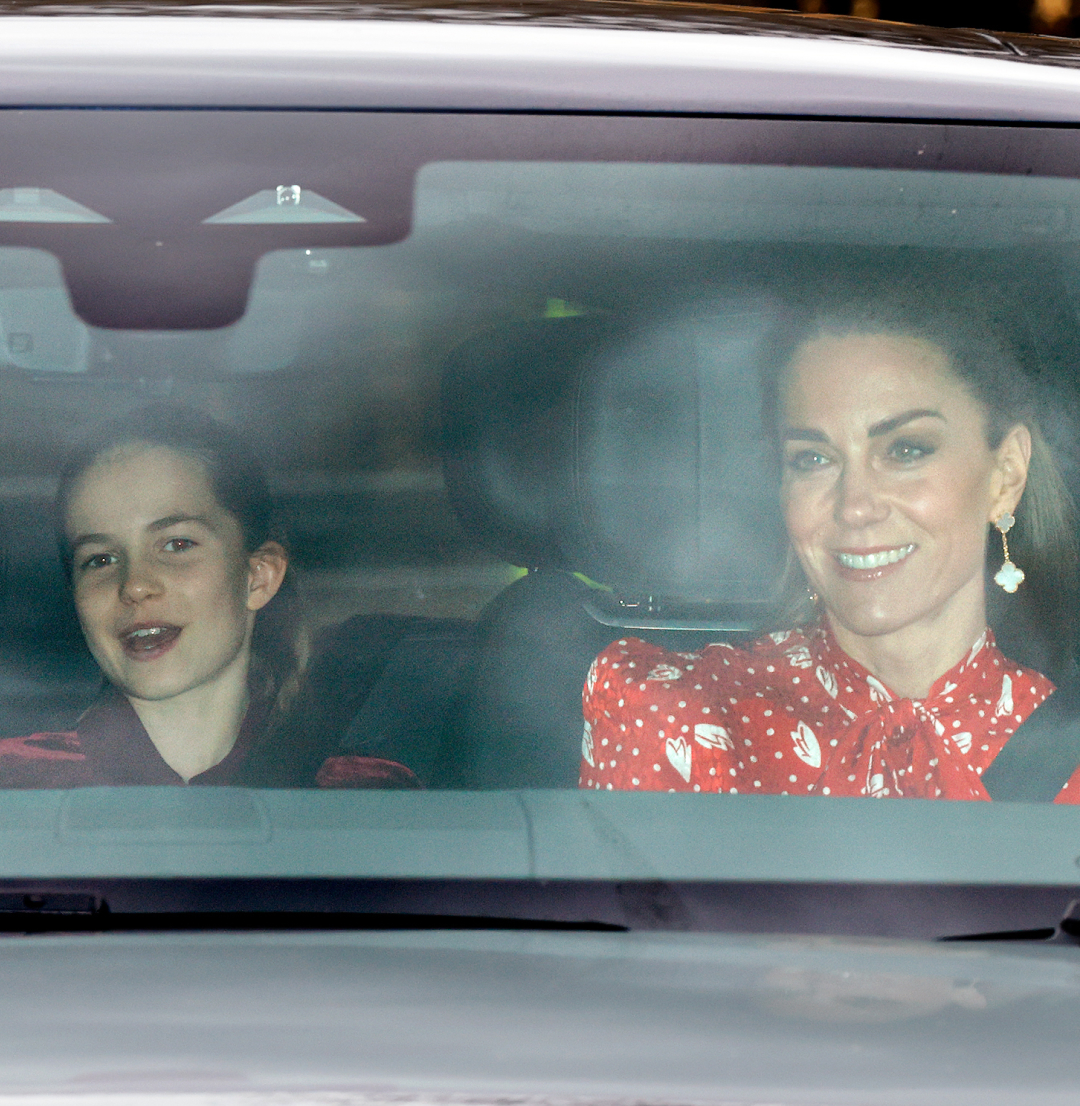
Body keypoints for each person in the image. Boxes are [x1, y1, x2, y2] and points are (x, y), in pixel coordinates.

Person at [580, 294, 1080, 801]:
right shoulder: (678, 716)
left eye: (906, 450)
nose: (854, 506)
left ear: (1006, 475)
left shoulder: (1068, 751)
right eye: (813, 459)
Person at [0, 405, 418, 788]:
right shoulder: (16, 786)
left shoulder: (363, 797)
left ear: (258, 577)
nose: (134, 585)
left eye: (176, 545)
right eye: (101, 559)